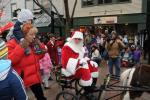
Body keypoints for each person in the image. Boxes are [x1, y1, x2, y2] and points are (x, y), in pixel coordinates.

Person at [7, 23, 47, 100]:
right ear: (23, 35)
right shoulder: (11, 43)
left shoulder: (32, 43)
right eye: (31, 34)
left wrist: (40, 45)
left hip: (35, 77)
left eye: (34, 34)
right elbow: (10, 61)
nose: (34, 36)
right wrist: (22, 46)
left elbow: (40, 56)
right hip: (21, 79)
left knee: (41, 97)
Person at [61, 31, 99, 99]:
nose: (77, 40)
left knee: (94, 65)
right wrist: (79, 62)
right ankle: (88, 92)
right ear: (73, 38)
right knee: (85, 68)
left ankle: (91, 87)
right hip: (70, 69)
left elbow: (81, 58)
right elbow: (65, 62)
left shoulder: (80, 47)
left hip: (79, 65)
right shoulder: (67, 47)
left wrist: (86, 60)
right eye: (76, 38)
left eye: (79, 39)